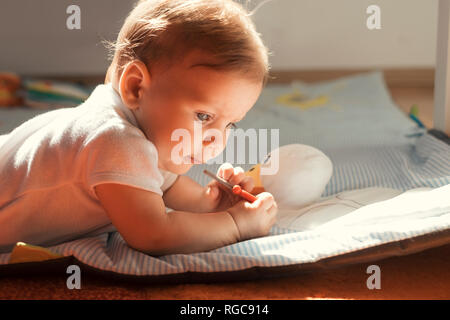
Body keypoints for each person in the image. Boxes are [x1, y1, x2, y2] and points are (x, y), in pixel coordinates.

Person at [0, 0, 277, 255]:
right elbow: (154, 234)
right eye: (204, 117)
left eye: (230, 124)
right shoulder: (115, 140)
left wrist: (216, 203)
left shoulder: (139, 131)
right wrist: (235, 225)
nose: (216, 140)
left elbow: (166, 187)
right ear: (136, 87)